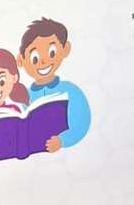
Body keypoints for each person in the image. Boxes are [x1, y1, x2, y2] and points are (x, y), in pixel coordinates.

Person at [17, 16, 91, 152]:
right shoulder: (23, 96)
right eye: (35, 58)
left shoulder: (71, 91)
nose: (43, 62)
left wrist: (63, 140)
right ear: (21, 60)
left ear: (65, 49)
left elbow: (82, 122)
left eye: (52, 53)